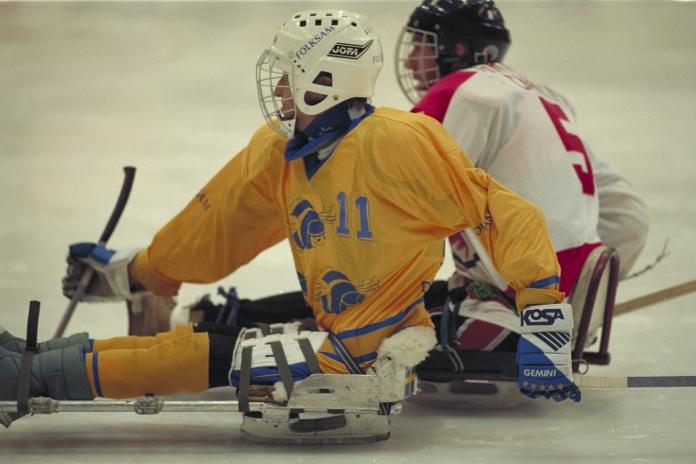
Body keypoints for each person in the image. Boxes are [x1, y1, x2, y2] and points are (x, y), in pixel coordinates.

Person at [2, 8, 575, 407]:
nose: (276, 88)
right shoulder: (280, 150)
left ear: (326, 80)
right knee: (195, 343)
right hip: (332, 336)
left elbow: (504, 212)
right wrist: (140, 271)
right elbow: (219, 227)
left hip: (371, 355)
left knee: (191, 354)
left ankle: (35, 374)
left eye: (289, 75)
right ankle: (36, 356)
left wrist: (544, 322)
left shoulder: (399, 143)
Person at [392, 0, 648, 364]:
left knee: (381, 340)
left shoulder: (460, 91)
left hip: (519, 298)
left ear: (457, 49)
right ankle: (549, 320)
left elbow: (400, 200)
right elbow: (629, 218)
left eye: (422, 45)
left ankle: (509, 324)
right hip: (570, 282)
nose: (409, 60)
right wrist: (587, 290)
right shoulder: (540, 94)